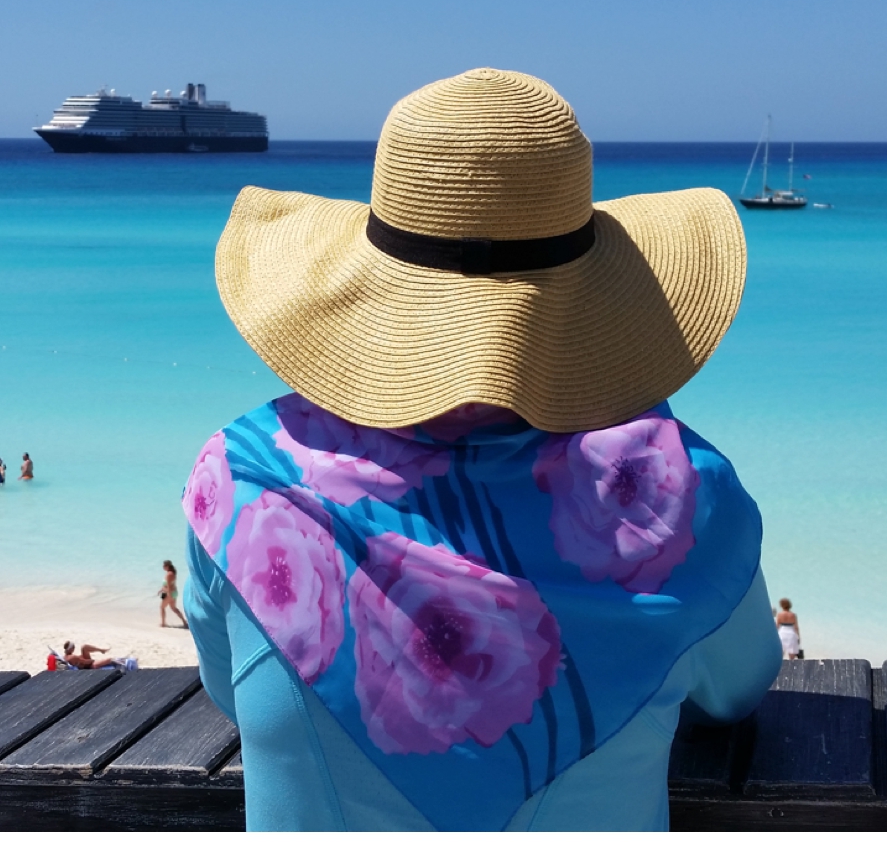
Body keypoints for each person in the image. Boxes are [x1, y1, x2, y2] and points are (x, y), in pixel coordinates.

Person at [181, 69, 779, 830]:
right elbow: (737, 688)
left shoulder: (238, 481)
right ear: (591, 286)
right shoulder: (681, 495)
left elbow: (229, 688)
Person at [159, 560, 188, 628]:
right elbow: (171, 585)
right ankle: (184, 622)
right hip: (173, 593)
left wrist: (168, 594)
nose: (163, 567)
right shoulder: (172, 573)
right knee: (174, 608)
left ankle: (163, 623)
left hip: (169, 593)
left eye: (164, 566)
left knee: (162, 607)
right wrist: (161, 589)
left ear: (167, 566)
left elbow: (169, 587)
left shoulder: (169, 574)